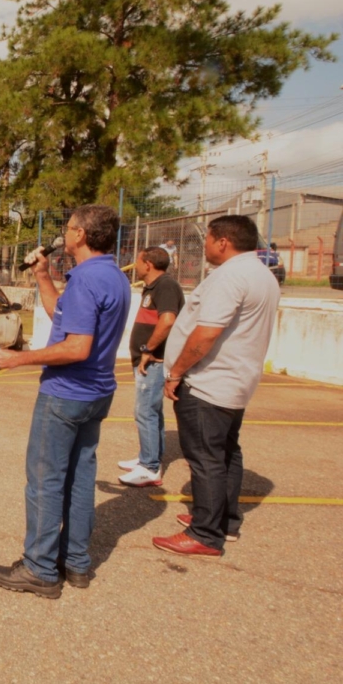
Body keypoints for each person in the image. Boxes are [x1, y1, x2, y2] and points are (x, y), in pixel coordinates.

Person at [0, 205, 131, 598]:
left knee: (45, 481)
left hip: (66, 394)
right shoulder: (113, 276)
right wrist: (41, 274)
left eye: (68, 228)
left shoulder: (86, 280)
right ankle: (76, 563)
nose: (64, 234)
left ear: (81, 235)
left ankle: (39, 569)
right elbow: (61, 315)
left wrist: (19, 359)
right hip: (98, 393)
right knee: (80, 478)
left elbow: (77, 346)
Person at [152, 215, 280, 559]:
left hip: (209, 383)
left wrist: (176, 372)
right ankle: (224, 519)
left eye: (207, 239)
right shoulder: (262, 275)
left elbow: (205, 333)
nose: (204, 245)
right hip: (236, 381)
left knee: (205, 456)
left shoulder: (230, 276)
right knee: (226, 452)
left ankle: (205, 533)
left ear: (222, 241)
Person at [118, 247, 185, 487]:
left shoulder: (166, 285)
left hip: (154, 361)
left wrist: (148, 350)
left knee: (145, 411)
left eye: (137, 261)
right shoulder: (154, 287)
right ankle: (149, 457)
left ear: (148, 264)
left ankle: (150, 468)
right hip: (148, 359)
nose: (134, 265)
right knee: (151, 411)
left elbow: (168, 320)